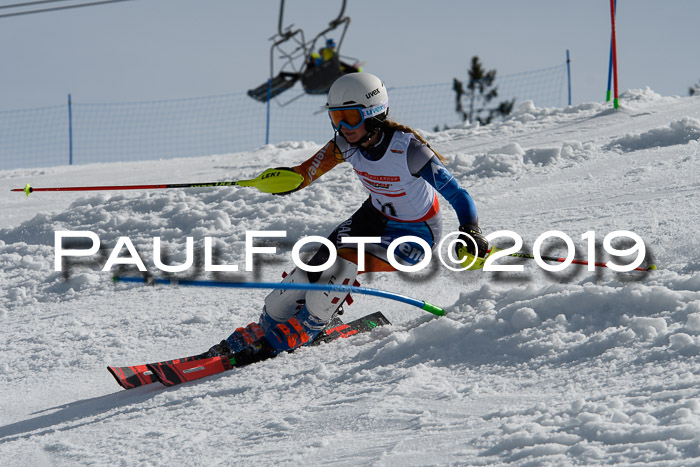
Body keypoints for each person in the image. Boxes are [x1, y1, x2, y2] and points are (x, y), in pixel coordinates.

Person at [209, 72, 488, 357]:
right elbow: (303, 174)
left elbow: (458, 194)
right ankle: (271, 320)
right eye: (335, 117)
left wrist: (471, 228)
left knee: (345, 260)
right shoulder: (344, 145)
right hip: (372, 218)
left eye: (350, 117)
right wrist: (278, 181)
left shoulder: (409, 150)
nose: (343, 127)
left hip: (415, 234)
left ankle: (312, 322)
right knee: (316, 262)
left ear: (374, 114)